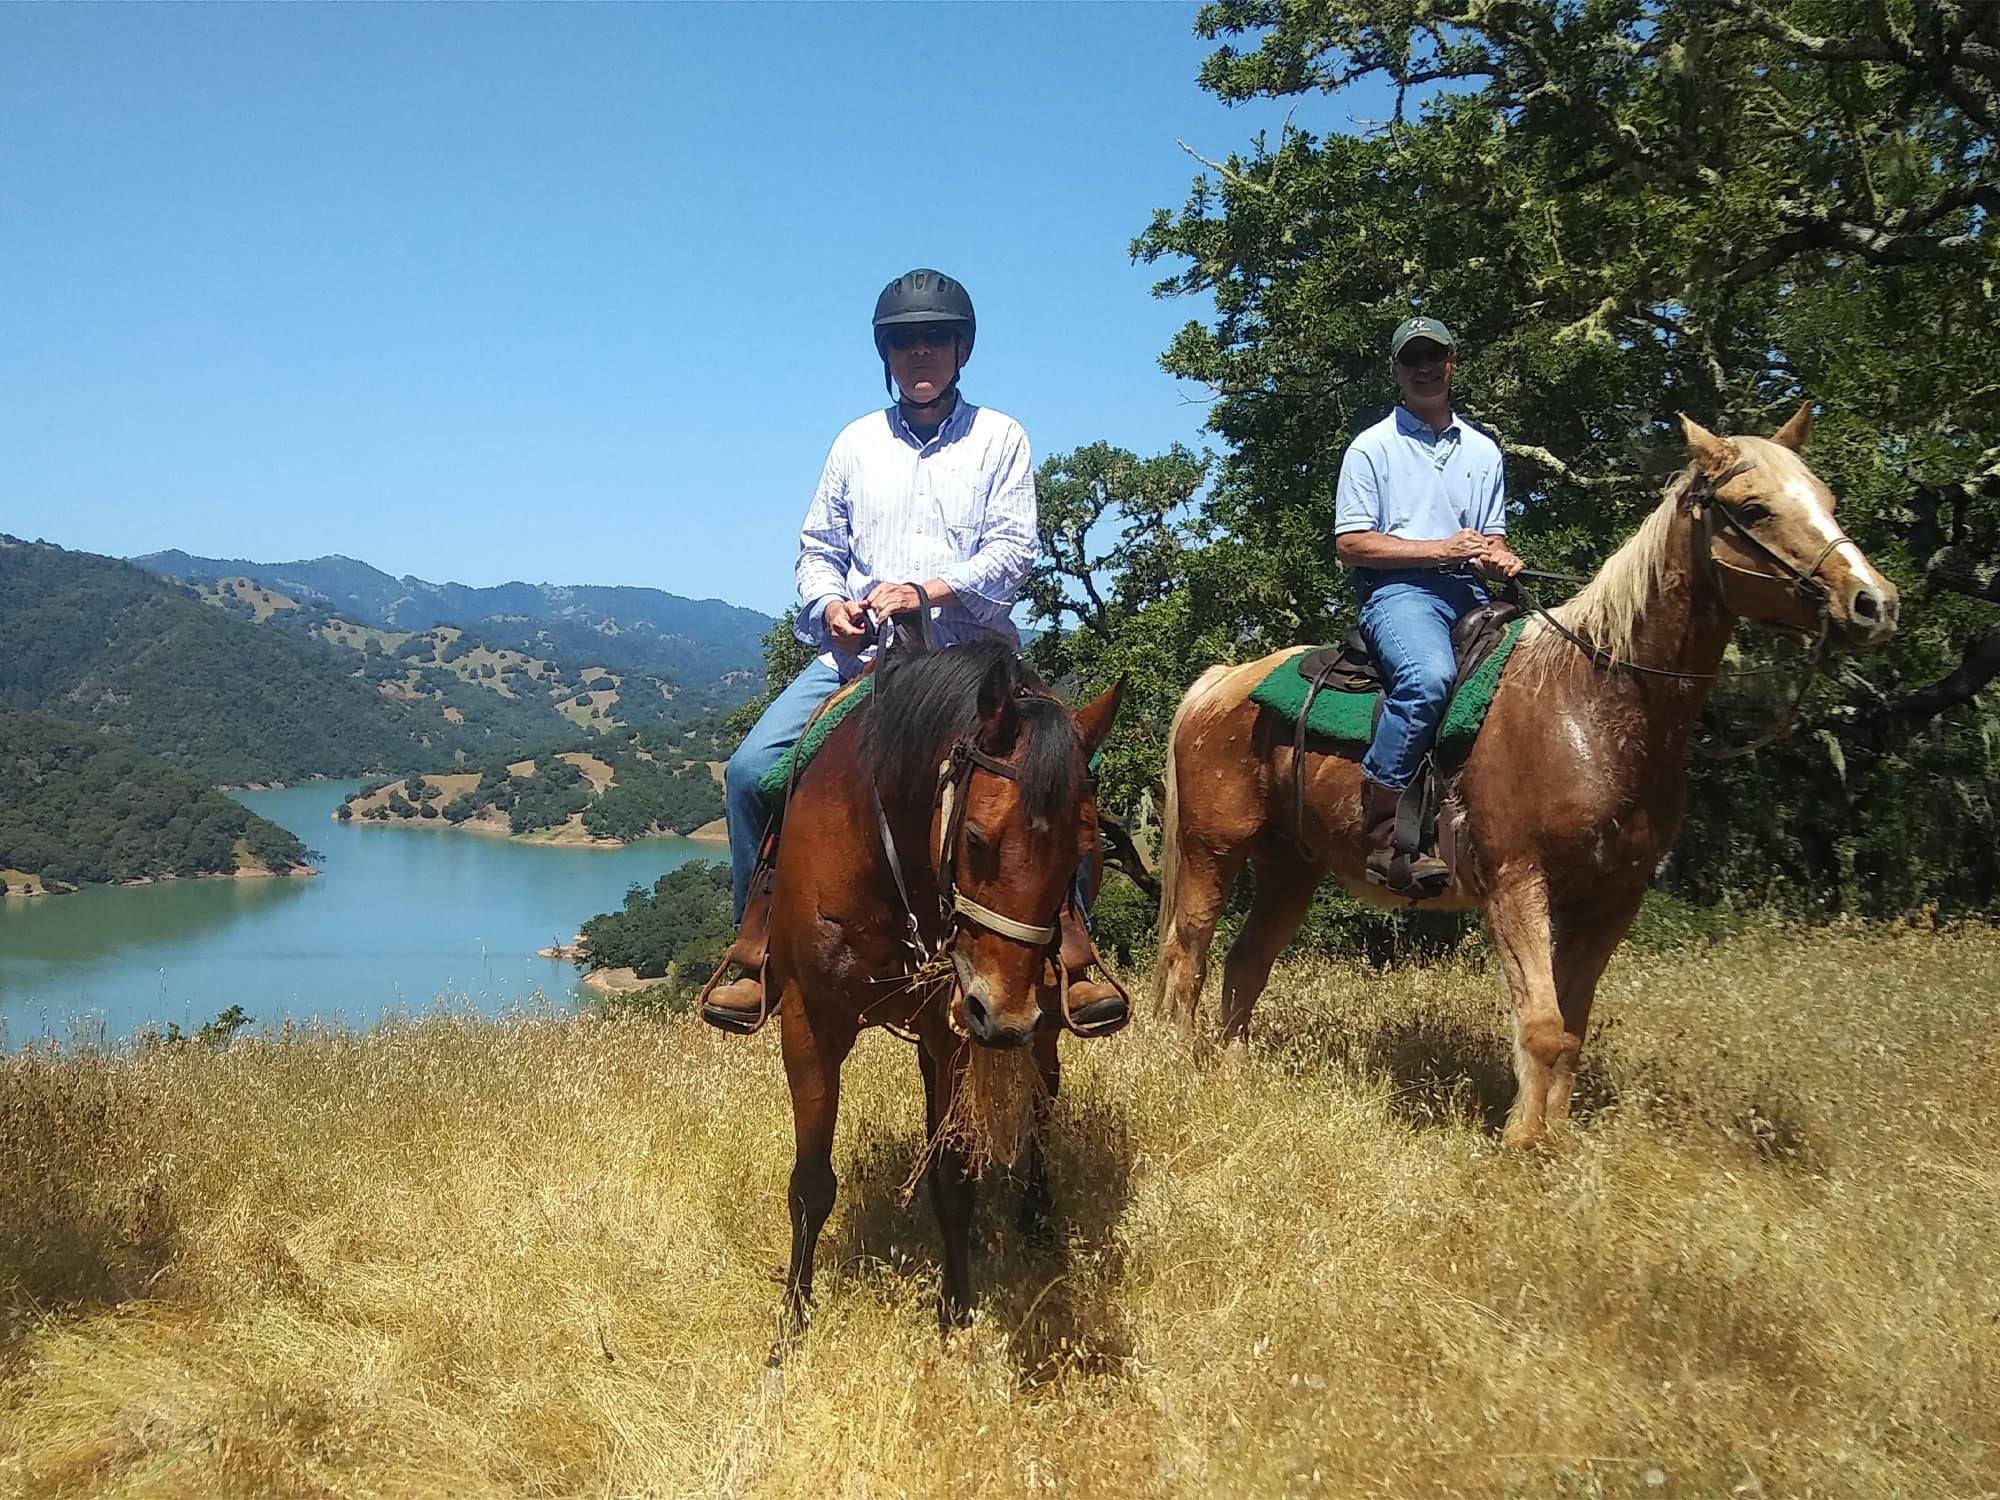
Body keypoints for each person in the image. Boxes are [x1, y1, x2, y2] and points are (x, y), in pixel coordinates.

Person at [702, 268, 1120, 1032]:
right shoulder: (855, 442)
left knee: (1060, 778)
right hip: (869, 663)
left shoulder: (1001, 437)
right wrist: (830, 606)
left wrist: (926, 592)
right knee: (752, 772)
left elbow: (1011, 554)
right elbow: (817, 549)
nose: (920, 352)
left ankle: (1071, 953)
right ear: (886, 354)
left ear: (961, 350)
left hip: (975, 664)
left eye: (935, 339)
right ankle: (756, 946)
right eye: (904, 342)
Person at [1332, 315, 1524, 895]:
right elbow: (1350, 543)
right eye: (1412, 358)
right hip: (1399, 593)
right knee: (1428, 678)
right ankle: (1383, 827)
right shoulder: (1371, 449)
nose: (1424, 368)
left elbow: (1491, 538)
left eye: (1433, 357)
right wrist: (1440, 547)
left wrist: (1502, 558)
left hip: (1471, 593)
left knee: (1542, 680)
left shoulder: (1485, 452)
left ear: (1451, 364)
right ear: (1396, 370)